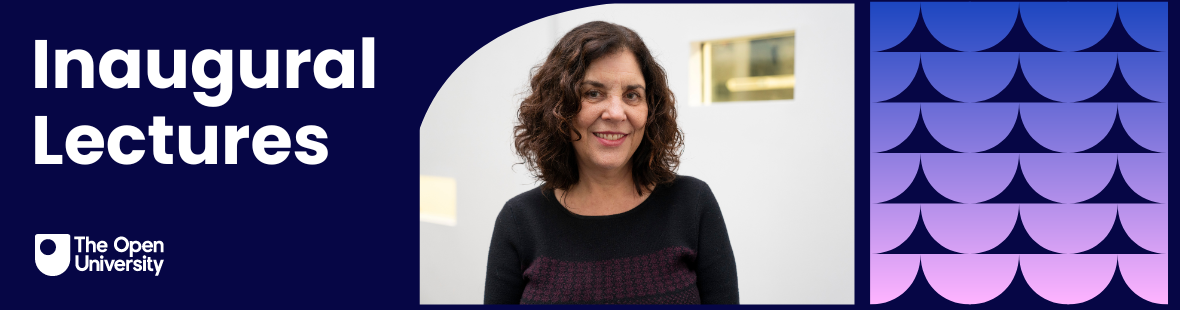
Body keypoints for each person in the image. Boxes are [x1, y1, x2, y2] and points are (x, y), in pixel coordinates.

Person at [484, 21, 738, 304]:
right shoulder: (520, 221)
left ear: (649, 111)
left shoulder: (693, 205)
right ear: (557, 109)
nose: (616, 113)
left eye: (632, 95)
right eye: (593, 93)